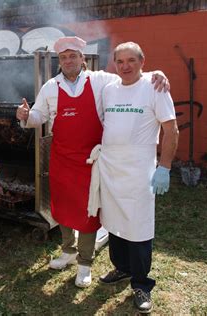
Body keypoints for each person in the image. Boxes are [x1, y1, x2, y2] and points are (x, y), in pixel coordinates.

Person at [16, 36, 169, 288]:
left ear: (82, 59)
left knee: (88, 211)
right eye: (63, 57)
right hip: (61, 158)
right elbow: (38, 116)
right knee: (63, 206)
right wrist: (25, 115)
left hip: (91, 161)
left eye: (72, 56)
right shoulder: (50, 87)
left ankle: (85, 263)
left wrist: (157, 73)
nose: (68, 61)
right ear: (59, 61)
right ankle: (67, 251)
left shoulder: (101, 81)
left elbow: (130, 76)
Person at [98, 42, 179, 313]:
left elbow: (171, 130)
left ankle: (141, 283)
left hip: (139, 173)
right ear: (114, 64)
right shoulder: (109, 89)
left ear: (142, 61)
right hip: (110, 170)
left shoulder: (155, 87)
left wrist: (164, 167)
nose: (126, 66)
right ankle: (121, 268)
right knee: (114, 223)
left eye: (131, 60)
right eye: (120, 61)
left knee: (139, 228)